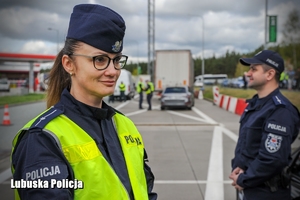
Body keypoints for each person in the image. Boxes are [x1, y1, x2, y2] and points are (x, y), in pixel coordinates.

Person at [11, 4, 157, 200]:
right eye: (99, 59)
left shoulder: (125, 125)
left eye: (116, 60)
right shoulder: (42, 139)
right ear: (69, 64)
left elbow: (145, 191)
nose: (113, 71)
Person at [229, 50, 300, 200]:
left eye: (254, 69)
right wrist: (238, 167)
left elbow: (272, 158)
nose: (248, 73)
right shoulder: (256, 105)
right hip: (249, 187)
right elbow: (248, 146)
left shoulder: (280, 111)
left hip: (266, 193)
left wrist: (243, 179)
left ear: (269, 74)